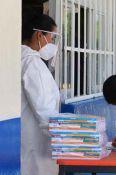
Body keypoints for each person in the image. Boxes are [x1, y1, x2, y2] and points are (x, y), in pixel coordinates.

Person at [21, 14, 60, 175]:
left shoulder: (18, 59)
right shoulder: (33, 64)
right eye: (51, 37)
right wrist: (60, 134)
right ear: (39, 35)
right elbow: (44, 106)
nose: (52, 43)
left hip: (23, 135)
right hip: (38, 141)